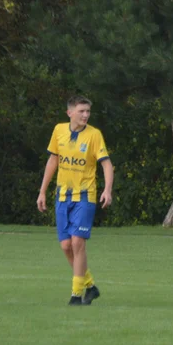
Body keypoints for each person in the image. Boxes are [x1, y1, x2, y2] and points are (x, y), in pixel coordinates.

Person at [37, 96, 114, 305]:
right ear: (70, 113)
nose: (86, 115)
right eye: (81, 111)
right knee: (65, 246)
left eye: (88, 111)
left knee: (77, 242)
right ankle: (90, 286)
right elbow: (53, 160)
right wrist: (42, 191)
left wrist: (107, 189)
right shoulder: (59, 130)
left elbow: (106, 164)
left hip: (85, 196)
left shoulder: (94, 135)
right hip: (62, 196)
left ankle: (76, 294)